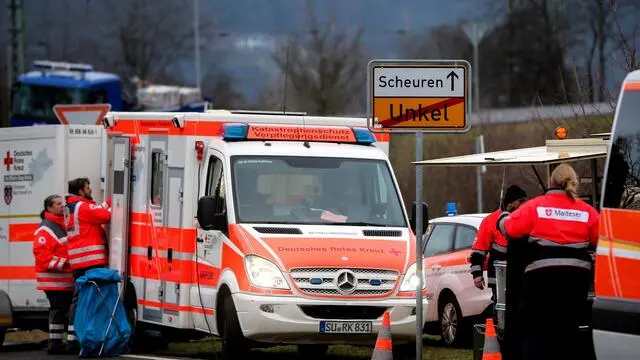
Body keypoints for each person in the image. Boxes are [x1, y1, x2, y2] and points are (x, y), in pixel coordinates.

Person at [497, 163, 599, 360]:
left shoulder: (536, 206)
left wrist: (503, 215)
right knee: (568, 330)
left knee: (537, 331)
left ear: (551, 182)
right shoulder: (587, 212)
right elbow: (602, 238)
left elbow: (510, 229)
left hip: (543, 280)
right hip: (576, 282)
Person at [64, 177, 112, 353]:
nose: (90, 189)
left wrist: (109, 201)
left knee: (79, 299)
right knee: (91, 300)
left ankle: (73, 338)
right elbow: (105, 216)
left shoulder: (72, 207)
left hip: (79, 261)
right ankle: (86, 337)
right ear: (80, 191)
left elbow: (96, 210)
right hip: (90, 260)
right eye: (87, 187)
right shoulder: (82, 207)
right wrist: (115, 204)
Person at [470, 185, 527, 303]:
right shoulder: (490, 221)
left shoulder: (527, 218)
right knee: (501, 309)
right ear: (510, 204)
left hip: (522, 276)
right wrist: (477, 274)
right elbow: (479, 250)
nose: (524, 204)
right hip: (499, 277)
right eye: (521, 201)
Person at [33, 195, 75, 354]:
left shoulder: (60, 225)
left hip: (63, 281)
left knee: (61, 310)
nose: (62, 206)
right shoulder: (45, 229)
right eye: (58, 204)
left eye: (62, 204)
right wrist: (66, 264)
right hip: (54, 282)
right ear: (49, 208)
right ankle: (55, 343)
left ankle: (57, 342)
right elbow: (43, 256)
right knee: (58, 310)